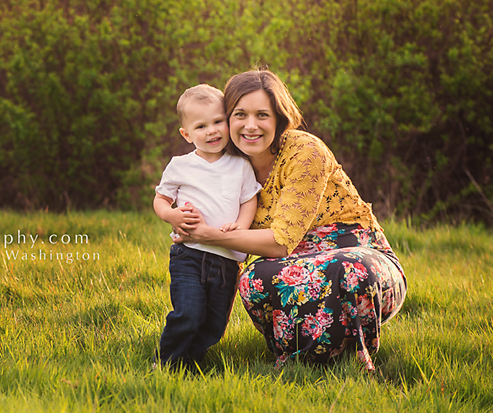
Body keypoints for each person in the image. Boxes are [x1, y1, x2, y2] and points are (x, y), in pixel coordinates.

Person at [173, 68, 407, 370]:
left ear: (279, 118)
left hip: (357, 255)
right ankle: (303, 361)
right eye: (240, 114)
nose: (251, 126)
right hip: (289, 263)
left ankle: (344, 358)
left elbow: (281, 242)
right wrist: (180, 216)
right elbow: (193, 203)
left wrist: (209, 235)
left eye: (262, 115)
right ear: (227, 118)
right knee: (255, 278)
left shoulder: (304, 151)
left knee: (346, 269)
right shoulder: (227, 164)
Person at [153, 84, 262, 371]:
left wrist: (239, 228)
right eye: (201, 126)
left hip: (226, 259)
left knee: (214, 323)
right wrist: (171, 216)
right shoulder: (180, 166)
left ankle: (191, 361)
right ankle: (167, 364)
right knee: (188, 312)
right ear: (186, 134)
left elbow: (249, 200)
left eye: (218, 122)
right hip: (189, 254)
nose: (212, 131)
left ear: (227, 122)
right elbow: (161, 199)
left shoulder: (240, 165)